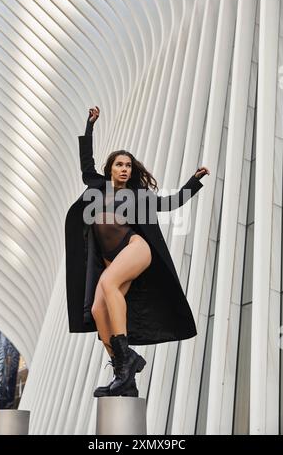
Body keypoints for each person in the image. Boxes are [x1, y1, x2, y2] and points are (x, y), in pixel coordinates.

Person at [66, 106, 210, 398]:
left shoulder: (139, 195)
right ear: (110, 169)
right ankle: (124, 374)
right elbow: (85, 163)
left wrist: (194, 182)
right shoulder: (97, 186)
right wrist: (90, 126)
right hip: (111, 261)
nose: (124, 169)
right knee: (97, 310)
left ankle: (127, 359)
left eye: (129, 166)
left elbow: (171, 203)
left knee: (108, 285)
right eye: (120, 164)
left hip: (135, 249)